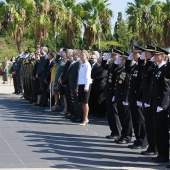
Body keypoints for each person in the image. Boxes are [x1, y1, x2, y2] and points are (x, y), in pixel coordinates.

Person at [151, 47, 170, 163]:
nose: (154, 56)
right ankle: (160, 153)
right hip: (156, 102)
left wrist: (162, 105)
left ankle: (164, 155)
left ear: (162, 56)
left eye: (157, 55)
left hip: (161, 105)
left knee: (162, 131)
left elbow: (166, 89)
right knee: (157, 130)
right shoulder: (157, 68)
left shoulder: (164, 69)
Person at [126, 46, 147, 149]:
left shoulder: (143, 66)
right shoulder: (136, 66)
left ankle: (142, 140)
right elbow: (127, 69)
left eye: (136, 54)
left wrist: (140, 98)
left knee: (140, 119)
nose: (134, 55)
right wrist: (129, 59)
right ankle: (138, 138)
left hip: (138, 96)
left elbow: (143, 83)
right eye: (133, 54)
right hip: (133, 96)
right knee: (135, 119)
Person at [138, 45, 157, 155]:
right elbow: (142, 74)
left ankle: (154, 147)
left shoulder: (154, 65)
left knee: (152, 124)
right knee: (148, 124)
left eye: (148, 52)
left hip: (151, 99)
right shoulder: (149, 64)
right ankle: (151, 146)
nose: (145, 54)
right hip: (146, 98)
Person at [101, 50, 122, 141]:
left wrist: (115, 63)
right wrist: (105, 59)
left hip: (114, 93)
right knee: (110, 114)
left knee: (114, 113)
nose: (112, 57)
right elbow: (103, 66)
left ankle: (118, 132)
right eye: (112, 56)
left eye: (114, 56)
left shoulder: (119, 67)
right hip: (108, 92)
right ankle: (113, 131)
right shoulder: (111, 65)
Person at [113, 52, 133, 144]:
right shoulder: (121, 69)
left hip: (124, 97)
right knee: (122, 117)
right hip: (119, 96)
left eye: (123, 60)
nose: (121, 61)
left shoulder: (128, 71)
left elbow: (128, 86)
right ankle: (123, 135)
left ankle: (127, 136)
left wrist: (126, 98)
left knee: (126, 119)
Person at [89, 53, 107, 118]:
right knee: (96, 100)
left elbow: (102, 76)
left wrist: (93, 79)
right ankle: (97, 112)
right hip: (95, 86)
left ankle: (101, 113)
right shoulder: (96, 66)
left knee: (100, 100)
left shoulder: (104, 67)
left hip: (100, 86)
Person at [77, 50, 92, 126]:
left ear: (86, 56)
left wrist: (86, 86)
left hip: (86, 85)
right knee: (82, 102)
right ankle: (84, 118)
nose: (81, 56)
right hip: (81, 84)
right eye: (81, 55)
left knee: (85, 102)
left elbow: (87, 76)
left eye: (83, 55)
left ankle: (85, 118)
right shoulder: (82, 64)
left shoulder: (87, 65)